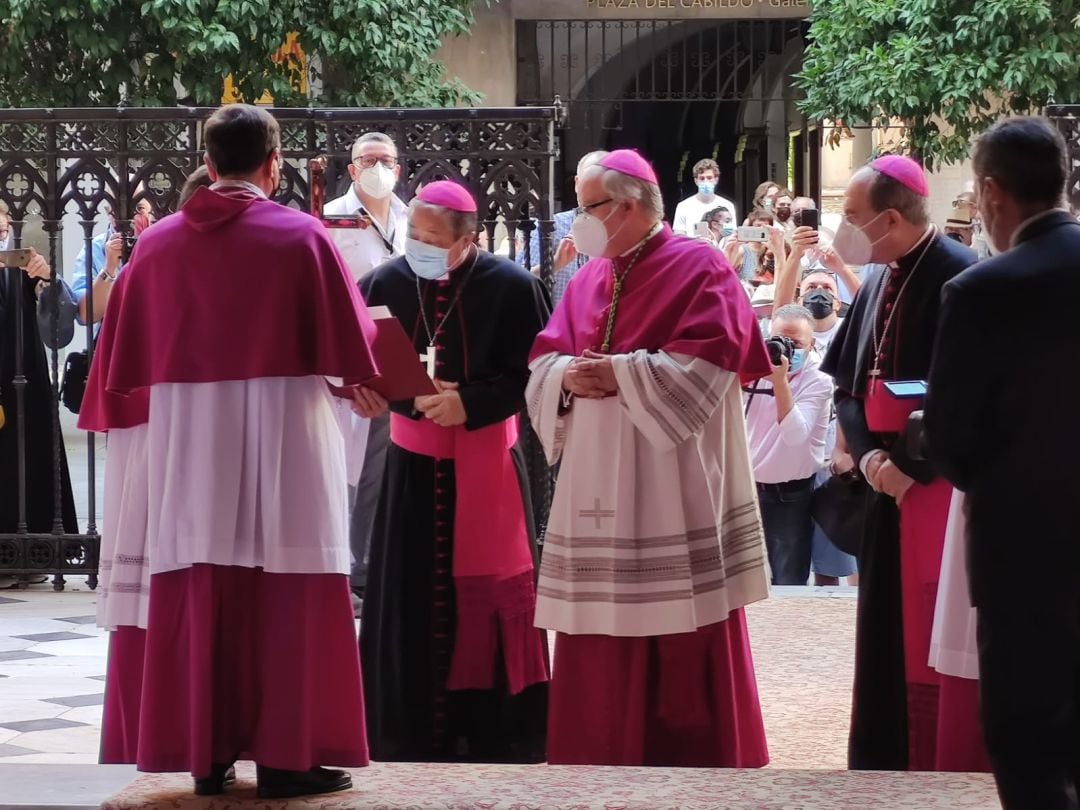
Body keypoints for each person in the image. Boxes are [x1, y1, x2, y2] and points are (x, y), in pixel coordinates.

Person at [80, 104, 377, 799]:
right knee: (289, 583)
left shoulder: (156, 247)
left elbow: (121, 364)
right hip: (285, 434)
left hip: (190, 438)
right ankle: (286, 757)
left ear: (208, 164)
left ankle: (203, 755)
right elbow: (355, 355)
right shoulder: (303, 238)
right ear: (273, 166)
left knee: (200, 578)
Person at [527, 148, 771, 767]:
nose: (578, 222)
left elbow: (711, 367)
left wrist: (620, 375)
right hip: (593, 479)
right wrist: (564, 378)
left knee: (680, 623)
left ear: (628, 206)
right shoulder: (587, 277)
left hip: (669, 478)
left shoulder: (701, 267)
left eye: (588, 208)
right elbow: (544, 359)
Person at [355, 180, 551, 763]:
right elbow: (360, 357)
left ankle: (496, 732)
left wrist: (472, 402)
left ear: (468, 240)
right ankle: (402, 731)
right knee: (407, 601)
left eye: (434, 239)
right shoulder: (387, 280)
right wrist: (365, 390)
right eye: (414, 232)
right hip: (410, 470)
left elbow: (537, 375)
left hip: (487, 462)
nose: (419, 245)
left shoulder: (514, 287)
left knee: (486, 606)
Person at [925, 116, 1079, 807]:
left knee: (1027, 744)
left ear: (990, 194)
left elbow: (955, 444)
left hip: (1024, 554)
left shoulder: (981, 291)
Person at [821, 155, 980, 772]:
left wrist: (907, 468)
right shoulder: (882, 276)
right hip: (882, 483)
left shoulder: (960, 278)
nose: (845, 229)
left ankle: (931, 756)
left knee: (928, 624)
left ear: (890, 217)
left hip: (933, 489)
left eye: (854, 218)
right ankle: (882, 752)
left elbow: (969, 397)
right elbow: (847, 387)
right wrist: (868, 459)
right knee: (883, 624)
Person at [322, 132, 409, 614]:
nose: (379, 167)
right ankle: (347, 568)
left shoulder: (410, 216)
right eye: (369, 160)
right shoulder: (332, 217)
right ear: (352, 169)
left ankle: (374, 565)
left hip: (403, 354)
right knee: (345, 465)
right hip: (350, 356)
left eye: (387, 160)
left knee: (384, 465)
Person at [0, 244, 79, 587]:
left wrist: (47, 277)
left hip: (23, 378)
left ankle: (33, 553)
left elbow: (60, 325)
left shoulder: (19, 271)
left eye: (4, 231)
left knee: (26, 456)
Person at [744, 305, 833, 586]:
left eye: (796, 344)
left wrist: (780, 382)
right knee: (744, 580)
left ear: (812, 345)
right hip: (746, 492)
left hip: (789, 497)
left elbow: (795, 435)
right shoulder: (751, 371)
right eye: (780, 340)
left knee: (788, 580)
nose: (786, 349)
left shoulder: (818, 380)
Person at [525, 151, 608, 306]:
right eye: (589, 179)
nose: (596, 189)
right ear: (577, 183)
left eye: (603, 181)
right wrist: (555, 264)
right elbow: (522, 280)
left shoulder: (622, 231)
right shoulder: (550, 228)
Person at [673, 158, 736, 236]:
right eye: (702, 178)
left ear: (716, 179)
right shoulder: (683, 206)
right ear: (696, 180)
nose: (706, 181)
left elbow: (731, 236)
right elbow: (679, 237)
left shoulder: (728, 206)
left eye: (709, 178)